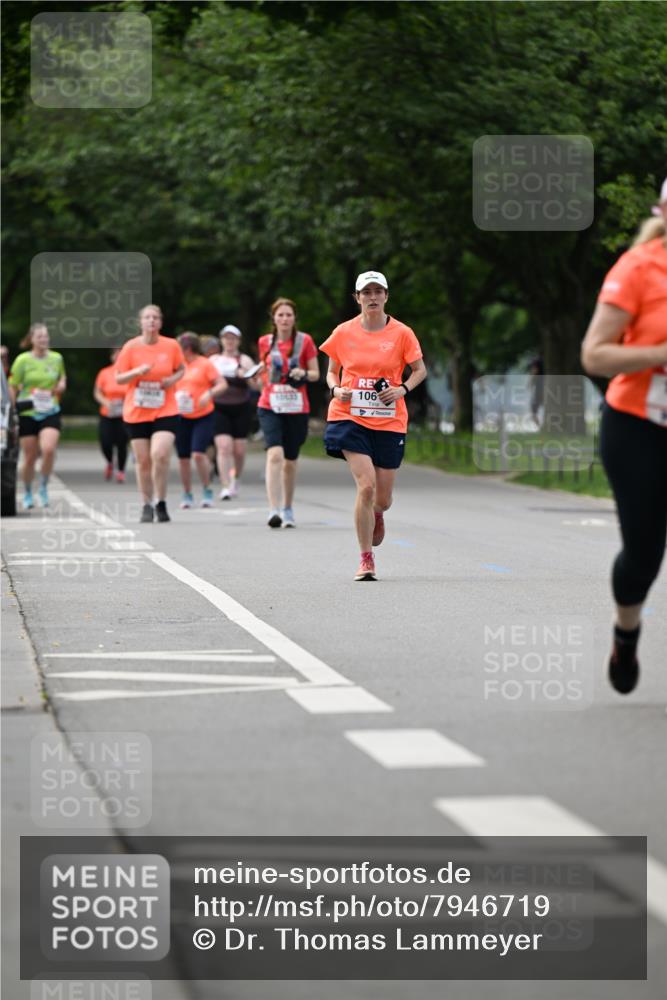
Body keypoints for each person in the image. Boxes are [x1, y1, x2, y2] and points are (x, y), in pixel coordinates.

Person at [581, 179, 667, 694]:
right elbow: (595, 354)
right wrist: (660, 354)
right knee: (643, 552)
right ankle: (626, 634)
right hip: (638, 425)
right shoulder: (639, 268)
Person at [320, 270, 427, 581]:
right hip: (348, 416)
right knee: (365, 487)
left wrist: (402, 389)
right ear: (357, 298)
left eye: (378, 292)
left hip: (389, 419)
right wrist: (336, 389)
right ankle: (366, 559)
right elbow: (331, 372)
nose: (372, 297)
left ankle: (378, 512)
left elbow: (419, 370)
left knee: (382, 497)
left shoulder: (402, 333)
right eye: (366, 293)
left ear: (386, 296)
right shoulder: (343, 332)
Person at [115, 304, 185, 523]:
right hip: (137, 411)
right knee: (143, 460)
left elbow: (181, 369)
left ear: (161, 322)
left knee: (160, 454)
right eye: (147, 318)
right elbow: (119, 378)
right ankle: (146, 503)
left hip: (165, 408)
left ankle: (161, 502)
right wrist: (137, 372)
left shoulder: (171, 345)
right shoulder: (131, 347)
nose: (152, 321)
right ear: (141, 322)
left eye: (156, 317)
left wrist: (170, 381)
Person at [256, 298, 319, 527]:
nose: (284, 319)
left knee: (290, 461)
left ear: (294, 318)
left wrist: (302, 373)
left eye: (288, 315)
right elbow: (263, 371)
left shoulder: (305, 341)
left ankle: (288, 508)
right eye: (280, 315)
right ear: (273, 318)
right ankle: (273, 510)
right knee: (275, 455)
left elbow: (315, 374)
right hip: (269, 404)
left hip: (296, 406)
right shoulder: (265, 342)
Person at [8, 323, 66, 509]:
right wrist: (12, 407)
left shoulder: (57, 358)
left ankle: (42, 486)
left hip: (50, 410)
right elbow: (13, 384)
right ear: (32, 339)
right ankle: (27, 491)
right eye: (40, 336)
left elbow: (62, 378)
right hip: (28, 412)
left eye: (46, 336)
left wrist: (62, 385)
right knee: (30, 456)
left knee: (49, 449)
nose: (44, 340)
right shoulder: (22, 360)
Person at [175, 332, 227, 508]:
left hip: (202, 415)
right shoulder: (176, 365)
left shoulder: (204, 364)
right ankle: (187, 493)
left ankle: (206, 488)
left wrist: (209, 393)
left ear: (188, 348)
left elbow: (222, 384)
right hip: (181, 415)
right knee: (183, 458)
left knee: (198, 454)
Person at [210, 324, 258, 500]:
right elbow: (204, 381)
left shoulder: (244, 360)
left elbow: (256, 385)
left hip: (241, 407)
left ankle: (235, 478)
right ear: (221, 340)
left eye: (233, 338)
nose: (229, 341)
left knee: (239, 450)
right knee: (223, 447)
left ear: (238, 341)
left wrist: (244, 374)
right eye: (226, 338)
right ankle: (225, 485)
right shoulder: (213, 360)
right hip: (219, 407)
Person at [93, 348, 129, 482]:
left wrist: (126, 402)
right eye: (116, 355)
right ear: (112, 357)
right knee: (105, 442)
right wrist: (106, 402)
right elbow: (97, 392)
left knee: (122, 443)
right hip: (107, 413)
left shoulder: (129, 374)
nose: (119, 358)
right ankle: (109, 462)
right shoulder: (104, 373)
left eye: (122, 356)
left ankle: (121, 471)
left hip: (123, 414)